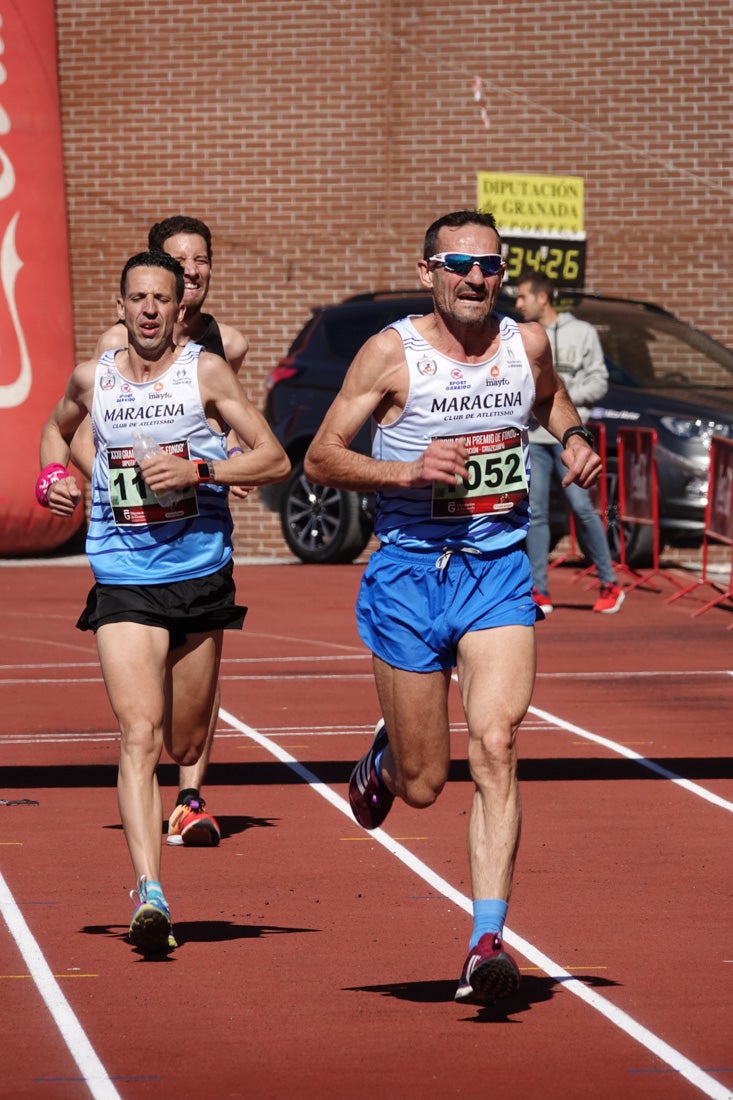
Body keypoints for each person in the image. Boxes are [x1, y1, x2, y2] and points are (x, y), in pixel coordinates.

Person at [304, 209, 602, 1007]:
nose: (476, 278)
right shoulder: (389, 354)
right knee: (425, 783)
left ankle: (484, 940)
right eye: (460, 264)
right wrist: (402, 474)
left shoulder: (525, 346)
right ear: (429, 270)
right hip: (406, 575)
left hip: (496, 569)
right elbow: (321, 456)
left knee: (497, 744)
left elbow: (551, 402)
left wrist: (571, 440)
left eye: (490, 266)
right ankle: (384, 759)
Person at [37, 251, 290, 953]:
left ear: (179, 311)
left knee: (183, 738)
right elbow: (54, 433)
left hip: (199, 573)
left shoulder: (205, 373)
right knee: (138, 735)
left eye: (162, 299)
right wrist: (52, 479)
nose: (149, 309)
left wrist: (199, 468)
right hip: (122, 575)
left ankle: (185, 790)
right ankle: (150, 891)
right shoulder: (94, 379)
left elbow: (275, 459)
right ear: (119, 308)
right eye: (137, 298)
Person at [77, 216, 250, 847]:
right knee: (142, 725)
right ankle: (155, 867)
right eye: (180, 259)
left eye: (201, 259)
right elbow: (81, 431)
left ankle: (191, 792)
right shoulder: (113, 346)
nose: (194, 268)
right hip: (129, 557)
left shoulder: (225, 347)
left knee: (190, 708)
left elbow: (232, 427)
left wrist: (223, 466)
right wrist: (111, 488)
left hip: (200, 544)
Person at [515, 271, 625, 615]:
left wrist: (560, 401)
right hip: (534, 437)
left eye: (523, 297)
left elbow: (599, 380)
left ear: (542, 298)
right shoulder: (522, 337)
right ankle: (539, 590)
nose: (518, 304)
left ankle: (609, 582)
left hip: (573, 438)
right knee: (536, 514)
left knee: (583, 509)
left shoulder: (583, 332)